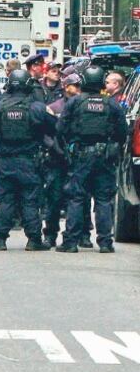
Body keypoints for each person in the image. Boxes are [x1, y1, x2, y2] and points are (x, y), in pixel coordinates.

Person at [56, 65, 128, 254]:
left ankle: (71, 242)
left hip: (81, 155)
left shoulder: (75, 102)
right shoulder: (111, 104)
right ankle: (105, 242)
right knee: (104, 199)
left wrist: (69, 146)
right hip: (105, 156)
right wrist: (113, 149)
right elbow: (122, 131)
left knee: (76, 198)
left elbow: (61, 128)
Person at [0, 69, 55, 251]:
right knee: (30, 201)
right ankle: (34, 240)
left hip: (6, 162)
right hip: (29, 161)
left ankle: (0, 239)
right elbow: (54, 127)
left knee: (6, 200)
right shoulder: (37, 108)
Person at [42, 73, 81, 247]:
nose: (78, 89)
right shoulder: (54, 107)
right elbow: (44, 132)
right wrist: (54, 147)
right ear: (66, 86)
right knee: (54, 198)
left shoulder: (83, 106)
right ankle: (50, 235)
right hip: (57, 159)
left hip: (78, 158)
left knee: (78, 199)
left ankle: (80, 235)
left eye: (80, 86)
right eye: (75, 85)